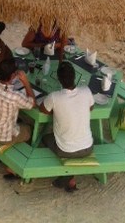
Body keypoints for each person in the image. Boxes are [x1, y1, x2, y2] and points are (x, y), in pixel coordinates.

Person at [39, 61, 94, 192]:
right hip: (88, 147)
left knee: (44, 137)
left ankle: (66, 176)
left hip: (66, 150)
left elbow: (43, 110)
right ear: (75, 76)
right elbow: (91, 107)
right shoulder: (86, 91)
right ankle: (70, 179)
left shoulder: (54, 97)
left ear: (58, 79)